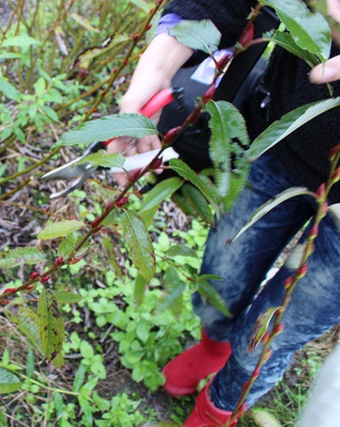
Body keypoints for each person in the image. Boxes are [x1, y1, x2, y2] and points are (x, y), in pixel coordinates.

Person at [108, 1, 340, 425]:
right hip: (277, 140)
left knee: (275, 331)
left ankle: (216, 410)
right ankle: (214, 345)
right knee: (224, 269)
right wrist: (161, 65)